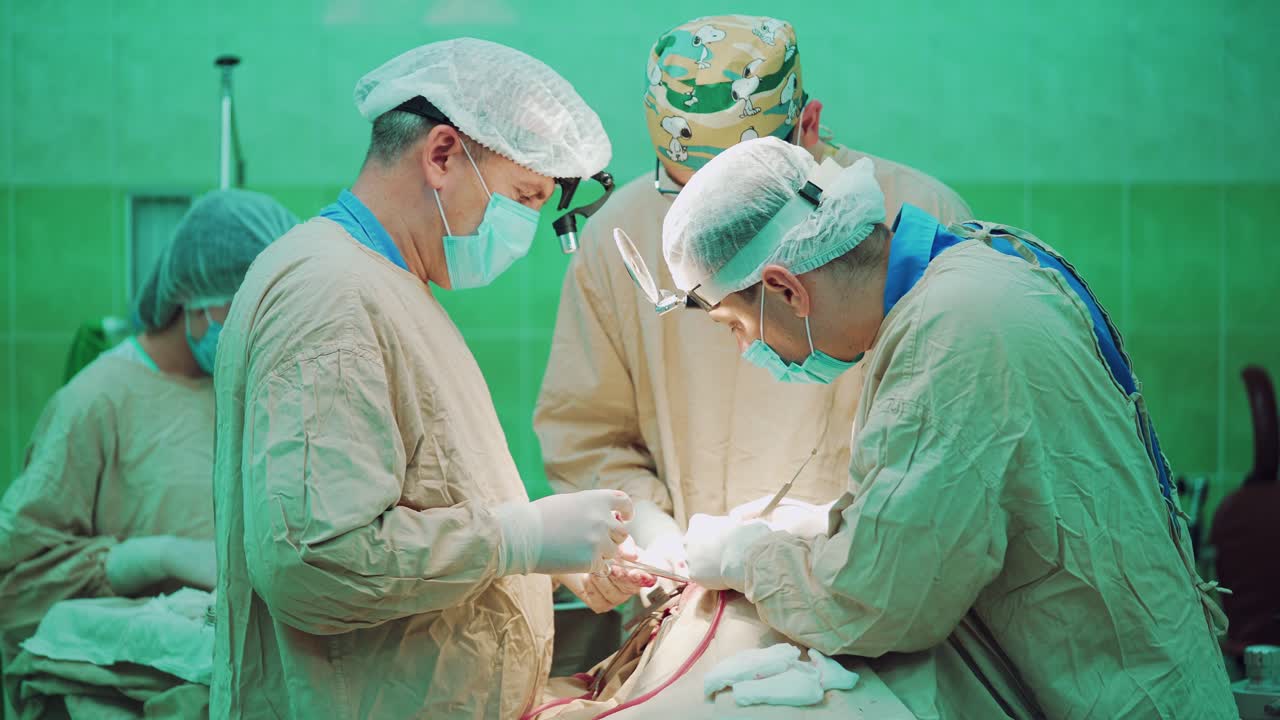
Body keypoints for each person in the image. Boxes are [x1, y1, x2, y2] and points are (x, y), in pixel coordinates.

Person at [653, 136, 1237, 717]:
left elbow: (873, 602)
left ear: (786, 289)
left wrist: (747, 559)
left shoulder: (950, 336)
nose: (745, 348)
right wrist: (833, 526)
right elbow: (988, 495)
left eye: (735, 326)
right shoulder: (970, 266)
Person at [210, 39, 644, 720]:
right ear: (442, 155)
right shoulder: (331, 296)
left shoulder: (388, 285)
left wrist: (546, 554)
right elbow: (316, 562)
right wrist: (518, 539)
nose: (525, 227)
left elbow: (421, 494)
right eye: (523, 197)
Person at [535, 15, 971, 585]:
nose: (708, 224)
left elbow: (950, 461)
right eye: (685, 191)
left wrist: (841, 531)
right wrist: (646, 527)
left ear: (808, 126)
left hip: (862, 580)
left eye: (740, 198)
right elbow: (587, 436)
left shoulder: (915, 218)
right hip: (689, 589)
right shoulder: (624, 235)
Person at [0, 189, 296, 713]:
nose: (263, 327)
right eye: (250, 306)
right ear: (197, 299)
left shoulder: (241, 389)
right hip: (125, 691)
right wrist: (156, 557)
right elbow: (18, 586)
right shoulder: (95, 402)